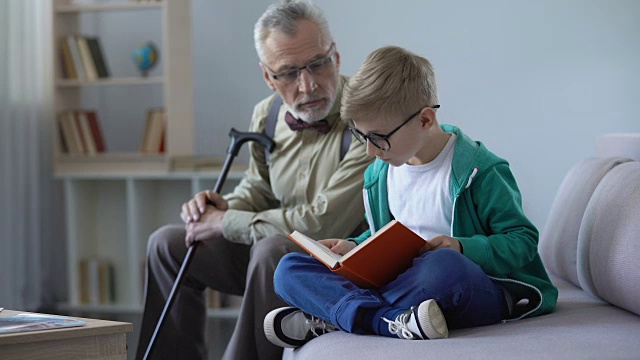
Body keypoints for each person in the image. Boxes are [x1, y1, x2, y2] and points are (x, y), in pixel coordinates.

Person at [264, 45, 558, 347]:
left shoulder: (480, 171)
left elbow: (522, 240)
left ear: (425, 120)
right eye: (361, 136)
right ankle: (386, 320)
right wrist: (353, 246)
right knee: (288, 268)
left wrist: (462, 247)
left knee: (444, 266)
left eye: (378, 138)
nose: (369, 150)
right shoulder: (380, 174)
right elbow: (387, 237)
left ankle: (341, 316)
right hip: (402, 286)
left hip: (467, 285)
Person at [135, 2, 372, 359]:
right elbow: (259, 189)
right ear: (267, 76)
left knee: (271, 250)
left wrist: (227, 222)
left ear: (335, 55)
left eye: (317, 64)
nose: (307, 86)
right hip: (272, 253)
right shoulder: (267, 114)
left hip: (340, 261)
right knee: (168, 243)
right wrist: (222, 207)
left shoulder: (365, 116)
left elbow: (321, 222)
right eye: (289, 73)